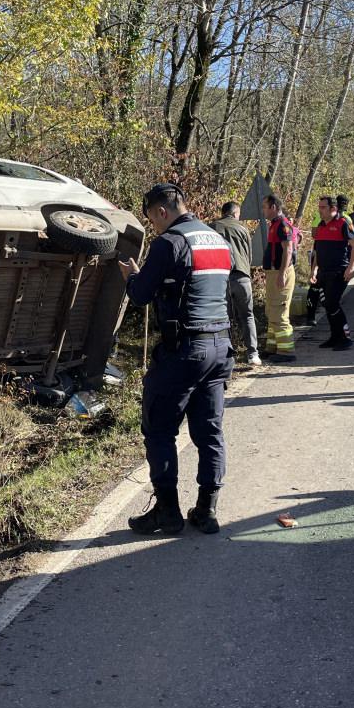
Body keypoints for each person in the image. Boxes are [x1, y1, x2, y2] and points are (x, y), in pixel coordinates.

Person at [119, 184, 234, 535]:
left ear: (161, 212)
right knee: (209, 431)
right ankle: (207, 510)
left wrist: (132, 276)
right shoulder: (217, 239)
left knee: (159, 429)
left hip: (184, 351)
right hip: (220, 347)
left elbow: (140, 295)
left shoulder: (170, 242)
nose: (154, 226)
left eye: (152, 219)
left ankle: (167, 512)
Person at [209, 202, 262, 367]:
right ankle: (253, 354)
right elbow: (249, 256)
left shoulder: (212, 227)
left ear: (223, 212)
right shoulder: (243, 228)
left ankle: (226, 355)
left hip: (221, 279)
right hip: (242, 277)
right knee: (247, 315)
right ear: (235, 213)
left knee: (224, 318)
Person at [310, 195, 354, 349]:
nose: (320, 210)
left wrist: (351, 267)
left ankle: (345, 338)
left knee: (333, 303)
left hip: (339, 271)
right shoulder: (321, 225)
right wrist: (314, 270)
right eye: (319, 207)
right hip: (324, 271)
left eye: (323, 207)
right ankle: (335, 336)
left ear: (333, 209)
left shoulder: (343, 223)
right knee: (328, 304)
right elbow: (317, 250)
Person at [261, 194, 297, 362]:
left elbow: (288, 250)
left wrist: (282, 273)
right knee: (272, 311)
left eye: (265, 207)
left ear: (273, 207)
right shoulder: (275, 224)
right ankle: (272, 347)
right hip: (274, 273)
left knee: (279, 311)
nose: (263, 210)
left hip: (280, 273)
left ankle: (286, 352)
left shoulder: (282, 224)